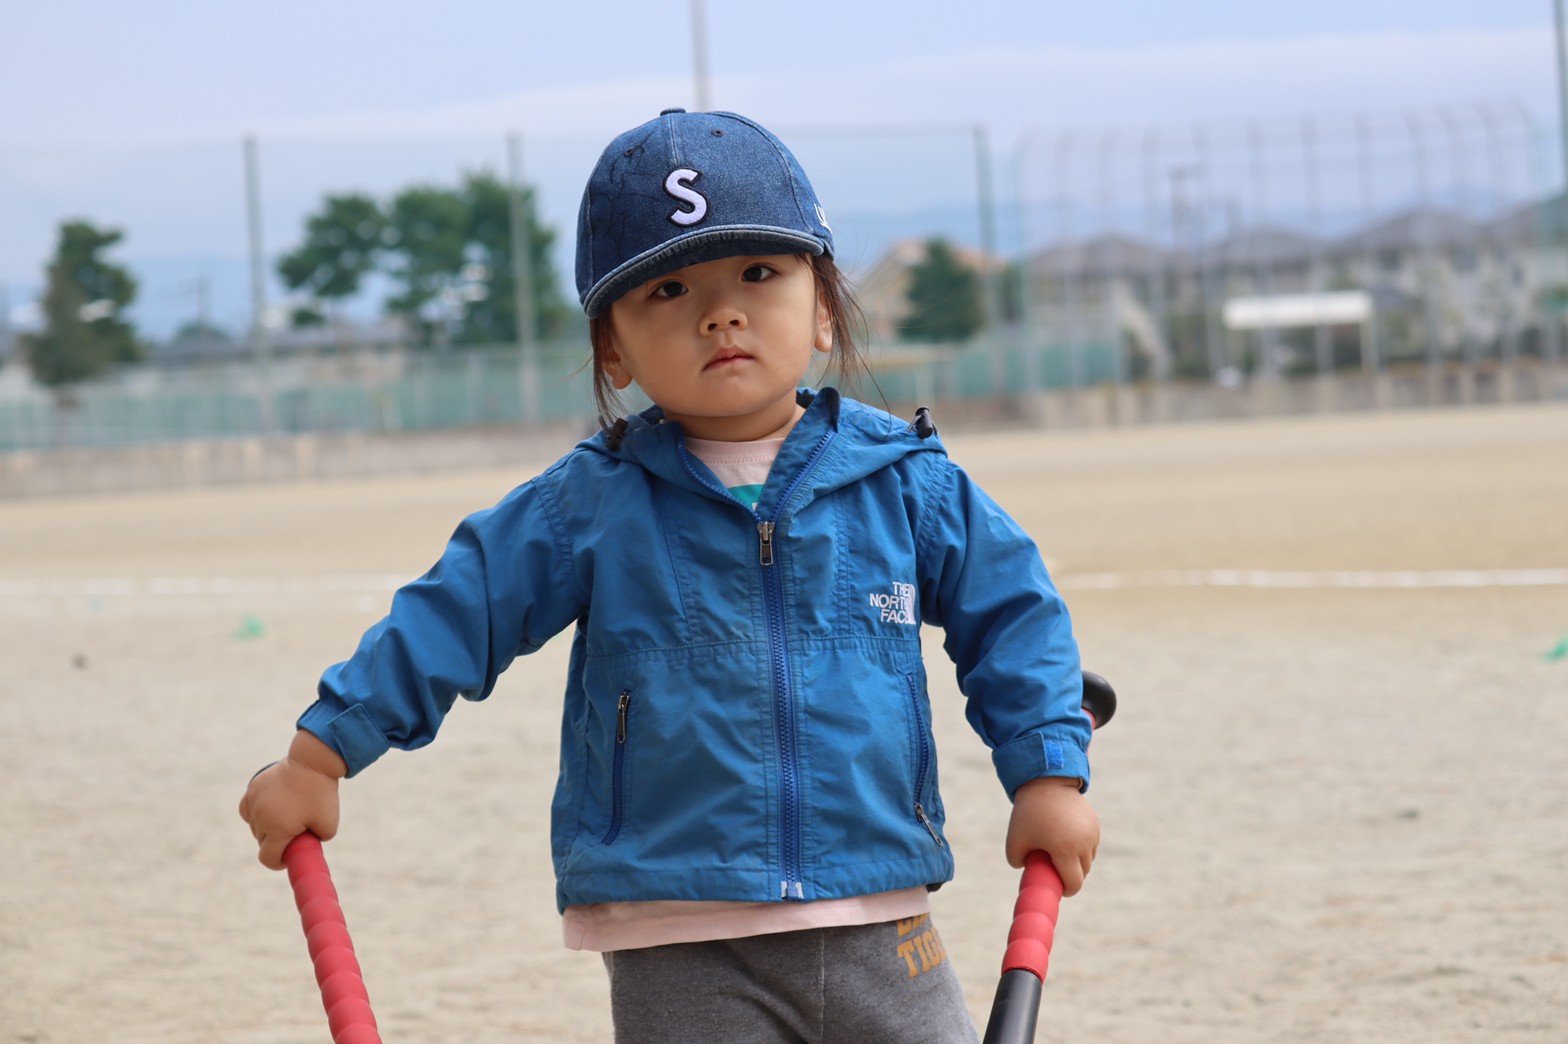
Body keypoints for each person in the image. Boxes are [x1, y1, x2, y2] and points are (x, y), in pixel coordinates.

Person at [239, 108, 1098, 1043]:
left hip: (879, 914)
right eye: (669, 289)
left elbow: (1015, 614)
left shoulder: (905, 481)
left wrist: (1048, 774)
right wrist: (319, 755)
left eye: (758, 273)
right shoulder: (588, 504)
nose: (720, 313)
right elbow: (457, 610)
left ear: (823, 306)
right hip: (677, 937)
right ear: (612, 347)